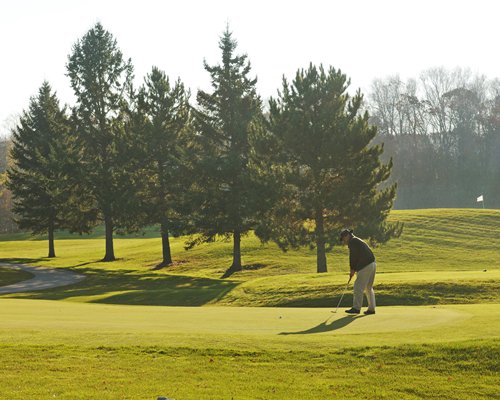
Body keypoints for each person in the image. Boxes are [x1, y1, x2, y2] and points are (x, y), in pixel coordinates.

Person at [339, 229, 376, 315]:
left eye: (343, 239)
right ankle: (371, 309)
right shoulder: (356, 240)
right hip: (372, 264)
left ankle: (356, 308)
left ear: (347, 236)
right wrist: (354, 269)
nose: (344, 241)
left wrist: (352, 269)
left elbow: (353, 256)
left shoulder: (352, 242)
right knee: (368, 287)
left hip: (365, 265)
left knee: (357, 286)